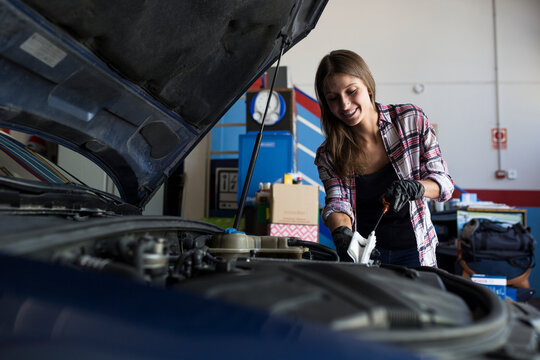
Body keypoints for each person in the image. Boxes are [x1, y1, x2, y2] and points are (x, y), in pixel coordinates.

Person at [314, 50, 454, 267]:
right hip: (366, 256)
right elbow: (338, 202)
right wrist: (341, 233)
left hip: (415, 251)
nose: (344, 105)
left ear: (368, 86)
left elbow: (444, 184)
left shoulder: (410, 121)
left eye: (352, 91)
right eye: (333, 98)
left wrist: (415, 187)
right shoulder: (329, 154)